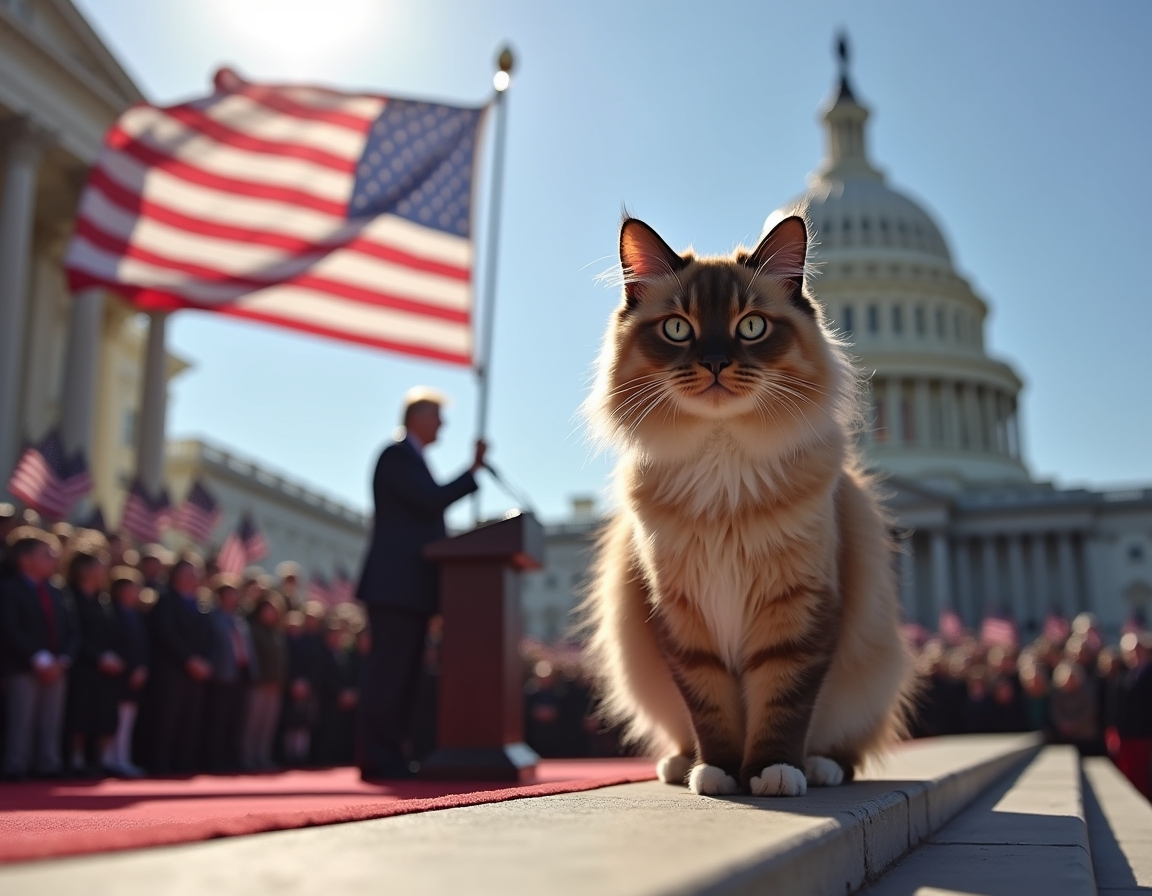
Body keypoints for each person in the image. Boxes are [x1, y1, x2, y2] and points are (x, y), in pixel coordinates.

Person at [356, 387, 485, 779]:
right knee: (390, 674)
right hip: (394, 587)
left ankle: (394, 753)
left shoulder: (414, 459)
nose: (442, 425)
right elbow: (431, 501)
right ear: (417, 418)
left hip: (410, 590)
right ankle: (377, 756)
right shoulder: (395, 455)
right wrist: (472, 471)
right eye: (437, 417)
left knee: (407, 677)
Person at [1, 528, 77, 779]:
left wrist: (63, 659)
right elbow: (10, 628)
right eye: (47, 554)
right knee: (20, 720)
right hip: (23, 666)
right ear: (25, 559)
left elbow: (71, 629)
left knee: (50, 720)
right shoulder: (9, 589)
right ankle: (16, 766)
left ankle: (47, 764)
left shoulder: (57, 591)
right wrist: (39, 658)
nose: (54, 559)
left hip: (56, 668)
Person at [145, 553, 214, 774]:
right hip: (171, 671)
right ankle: (159, 762)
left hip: (196, 674)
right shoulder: (166, 600)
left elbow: (209, 639)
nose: (192, 578)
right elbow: (166, 634)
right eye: (187, 573)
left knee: (189, 720)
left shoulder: (201, 606)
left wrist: (205, 662)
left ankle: (182, 762)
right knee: (166, 718)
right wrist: (189, 660)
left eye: (195, 574)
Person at [202, 575, 254, 772]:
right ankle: (213, 759)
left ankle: (229, 757)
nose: (234, 597)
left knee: (235, 719)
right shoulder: (213, 617)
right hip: (221, 675)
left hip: (240, 675)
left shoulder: (239, 620)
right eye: (230, 593)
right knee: (217, 720)